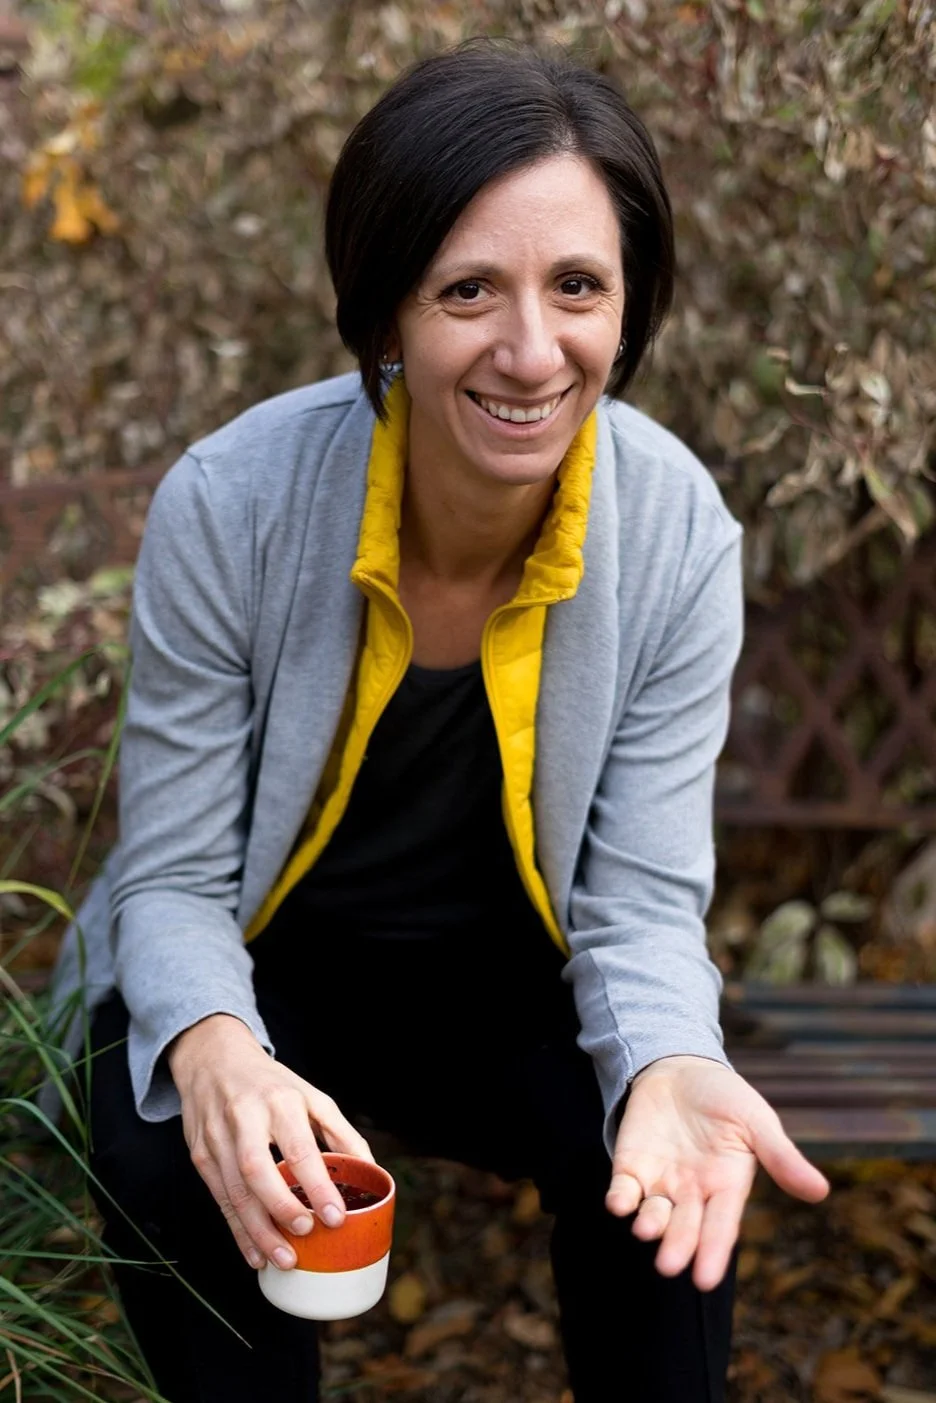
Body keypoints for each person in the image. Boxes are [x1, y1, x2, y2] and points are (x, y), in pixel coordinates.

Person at [47, 39, 830, 1403]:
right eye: (470, 289)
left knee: (654, 1149)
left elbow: (640, 908)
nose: (534, 350)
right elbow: (170, 881)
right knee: (175, 1130)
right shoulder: (231, 504)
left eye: (577, 286)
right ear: (387, 314)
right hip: (266, 954)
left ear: (628, 308)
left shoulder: (678, 530)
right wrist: (221, 1051)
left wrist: (676, 1058)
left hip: (506, 977)